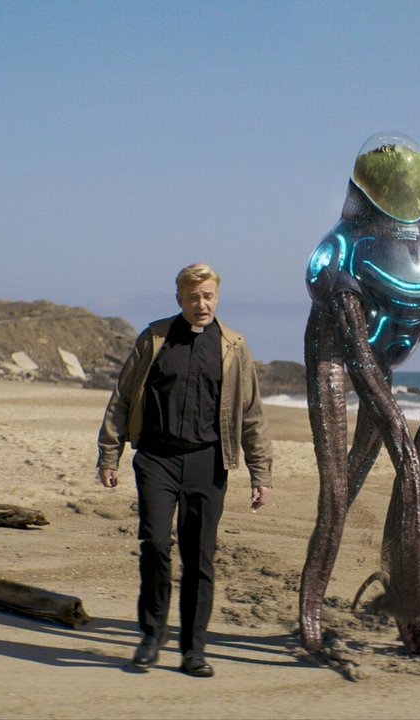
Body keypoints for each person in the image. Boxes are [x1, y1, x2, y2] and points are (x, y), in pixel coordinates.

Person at [96, 263, 274, 678]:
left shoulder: (233, 347)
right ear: (180, 299)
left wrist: (260, 474)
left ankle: (194, 650)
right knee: (156, 545)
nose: (201, 304)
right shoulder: (154, 338)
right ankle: (151, 637)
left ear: (217, 297)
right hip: (156, 459)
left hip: (207, 463)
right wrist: (109, 454)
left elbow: (251, 415)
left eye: (208, 296)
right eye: (193, 297)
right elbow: (122, 398)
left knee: (199, 557)